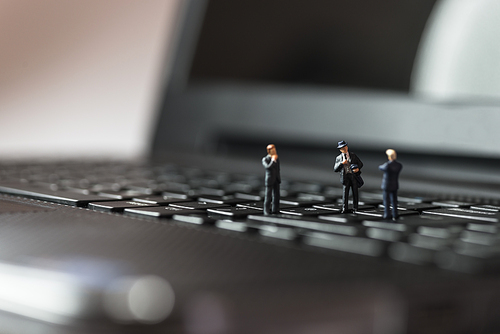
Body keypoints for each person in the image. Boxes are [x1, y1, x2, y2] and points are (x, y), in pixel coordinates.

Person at [333, 141, 363, 213]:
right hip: (345, 177)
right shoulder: (338, 158)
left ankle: (355, 208)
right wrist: (341, 163)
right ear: (340, 150)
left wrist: (357, 169)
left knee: (355, 193)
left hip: (353, 176)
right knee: (345, 194)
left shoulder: (353, 155)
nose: (344, 149)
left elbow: (361, 164)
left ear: (347, 147)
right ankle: (344, 208)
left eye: (345, 147)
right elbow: (335, 169)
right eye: (342, 148)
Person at [379, 149, 403, 220]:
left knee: (387, 201)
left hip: (387, 185)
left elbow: (380, 167)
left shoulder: (387, 165)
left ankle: (387, 214)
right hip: (395, 185)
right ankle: (395, 214)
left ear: (389, 157)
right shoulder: (399, 165)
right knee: (394, 201)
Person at [262, 144, 281, 215]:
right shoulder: (265, 159)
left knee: (276, 196)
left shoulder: (276, 158)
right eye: (272, 150)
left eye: (274, 149)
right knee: (268, 197)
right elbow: (267, 167)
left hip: (276, 179)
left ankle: (275, 209)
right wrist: (273, 160)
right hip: (270, 180)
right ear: (269, 151)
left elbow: (278, 169)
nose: (274, 151)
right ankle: (266, 211)